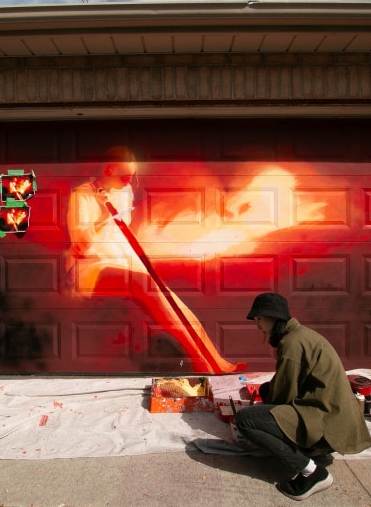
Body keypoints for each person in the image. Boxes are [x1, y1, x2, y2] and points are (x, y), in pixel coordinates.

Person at [66, 146, 244, 374]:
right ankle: (202, 362)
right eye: (125, 175)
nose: (130, 180)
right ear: (109, 169)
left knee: (173, 301)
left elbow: (122, 231)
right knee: (145, 283)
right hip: (92, 268)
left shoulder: (125, 191)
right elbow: (81, 246)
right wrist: (103, 213)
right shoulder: (83, 195)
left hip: (124, 262)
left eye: (132, 176)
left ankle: (215, 362)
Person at [235, 292, 371, 501]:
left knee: (246, 420)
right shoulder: (299, 335)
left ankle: (311, 471)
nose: (258, 326)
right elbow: (283, 387)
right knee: (265, 390)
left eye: (259, 319)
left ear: (273, 317)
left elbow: (282, 397)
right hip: (333, 416)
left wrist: (261, 422)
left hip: (328, 423)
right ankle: (312, 451)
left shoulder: (291, 344)